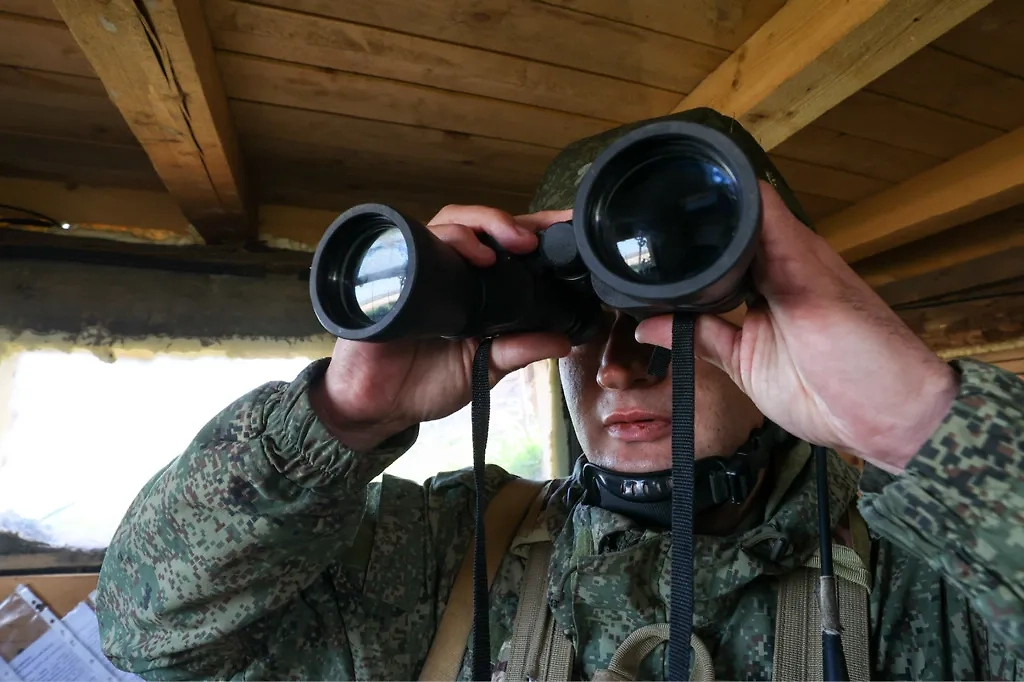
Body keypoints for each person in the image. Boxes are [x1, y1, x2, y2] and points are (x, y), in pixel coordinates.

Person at [95, 112, 1024, 681]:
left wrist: (922, 423)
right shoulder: (445, 558)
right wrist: (339, 420)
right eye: (581, 319)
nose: (617, 367)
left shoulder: (933, 578)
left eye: (674, 309)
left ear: (777, 301)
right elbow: (155, 636)